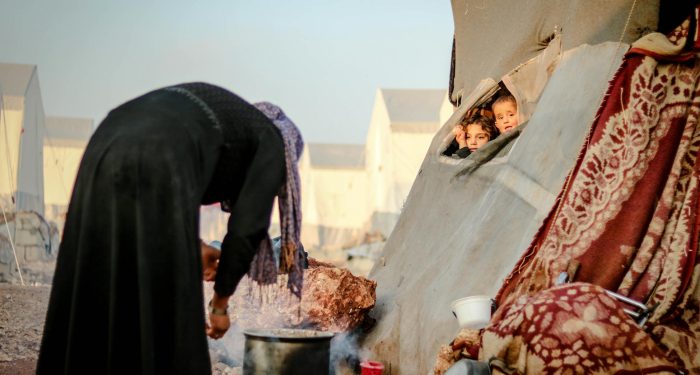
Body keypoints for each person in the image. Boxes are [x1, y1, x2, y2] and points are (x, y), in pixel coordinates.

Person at [36, 83, 304, 375]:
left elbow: (165, 202)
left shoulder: (234, 121)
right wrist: (220, 304)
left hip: (105, 139)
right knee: (170, 305)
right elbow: (247, 228)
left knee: (97, 273)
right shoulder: (274, 141)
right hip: (162, 153)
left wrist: (195, 245)